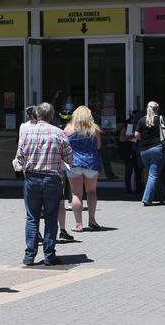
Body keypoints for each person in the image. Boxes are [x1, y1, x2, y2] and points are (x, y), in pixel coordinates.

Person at [16, 102, 73, 266]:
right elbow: (69, 157)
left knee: (32, 217)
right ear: (51, 116)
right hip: (52, 179)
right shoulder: (59, 133)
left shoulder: (27, 132)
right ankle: (49, 255)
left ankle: (29, 255)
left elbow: (19, 157)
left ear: (37, 115)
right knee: (51, 216)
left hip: (32, 178)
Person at [65, 106, 103, 232]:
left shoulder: (68, 129)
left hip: (74, 164)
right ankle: (92, 220)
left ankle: (78, 224)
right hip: (91, 164)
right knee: (91, 192)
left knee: (76, 194)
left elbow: (65, 147)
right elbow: (98, 146)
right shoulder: (94, 129)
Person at [134, 101, 165, 206]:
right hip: (157, 149)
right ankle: (146, 199)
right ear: (157, 109)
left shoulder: (142, 120)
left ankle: (162, 196)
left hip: (144, 151)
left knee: (153, 174)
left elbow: (136, 134)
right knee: (153, 175)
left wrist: (143, 140)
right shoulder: (161, 118)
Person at [57, 108, 76, 242]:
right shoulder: (69, 130)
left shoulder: (60, 129)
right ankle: (62, 230)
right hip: (64, 164)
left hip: (60, 164)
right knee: (62, 196)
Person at [119, 111, 142, 197]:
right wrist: (130, 137)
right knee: (129, 171)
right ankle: (128, 190)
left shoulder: (140, 125)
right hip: (129, 151)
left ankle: (138, 189)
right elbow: (121, 138)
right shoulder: (127, 125)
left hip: (136, 150)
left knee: (138, 171)